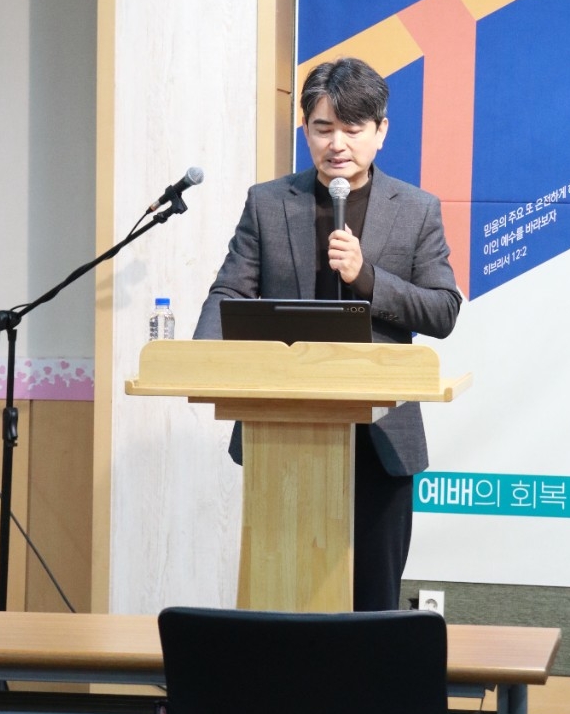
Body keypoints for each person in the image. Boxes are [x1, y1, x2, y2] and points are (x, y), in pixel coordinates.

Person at [194, 57, 461, 610]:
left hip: (380, 438)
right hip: (284, 432)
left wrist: (367, 277)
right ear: (305, 130)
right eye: (322, 128)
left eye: (352, 128)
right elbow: (229, 292)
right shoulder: (269, 203)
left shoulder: (416, 210)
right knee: (281, 602)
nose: (336, 143)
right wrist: (201, 359)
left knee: (373, 604)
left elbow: (442, 310)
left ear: (380, 131)